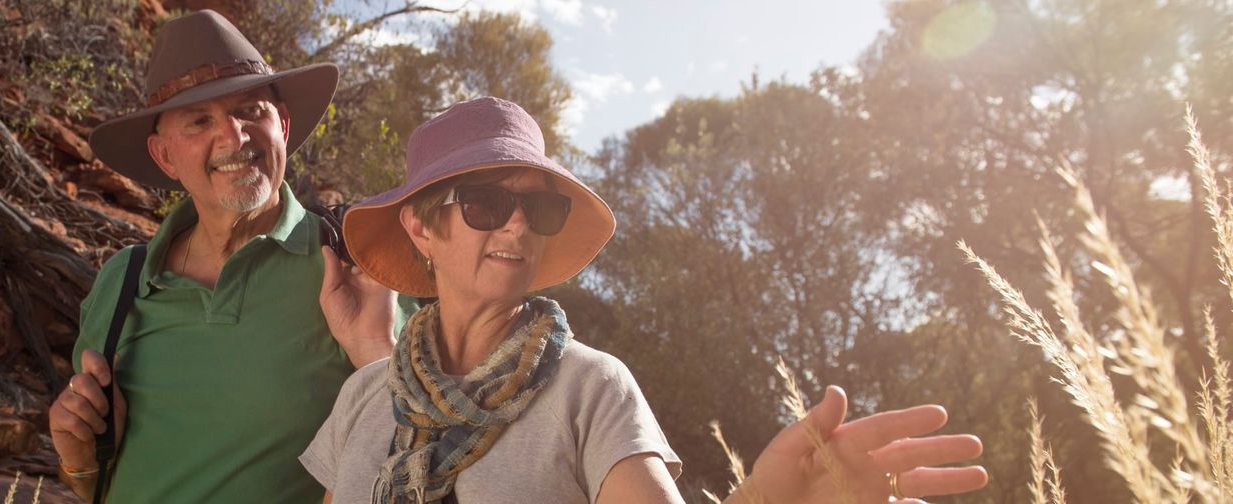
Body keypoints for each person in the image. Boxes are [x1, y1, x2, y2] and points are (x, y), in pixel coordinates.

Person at [301, 97, 991, 503]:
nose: (515, 224)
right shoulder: (365, 400)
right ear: (421, 226)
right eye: (485, 202)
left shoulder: (590, 389)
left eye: (536, 208)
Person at [46, 10, 397, 503]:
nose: (234, 137)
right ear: (164, 155)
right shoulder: (121, 281)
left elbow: (416, 457)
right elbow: (96, 485)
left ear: (284, 124)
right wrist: (80, 463)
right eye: (199, 121)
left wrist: (380, 357)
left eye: (252, 110)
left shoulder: (355, 269)